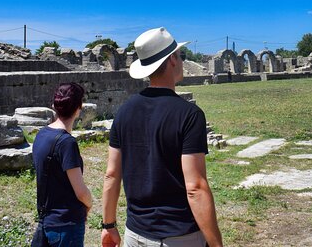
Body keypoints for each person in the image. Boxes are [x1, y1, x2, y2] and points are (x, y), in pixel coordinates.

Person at [101, 27, 223, 247]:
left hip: (135, 234)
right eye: (181, 55)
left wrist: (108, 226)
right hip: (179, 237)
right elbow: (195, 187)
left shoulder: (124, 111)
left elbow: (111, 175)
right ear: (173, 60)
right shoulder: (189, 115)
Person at [32, 82, 93, 247]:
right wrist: (89, 202)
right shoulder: (67, 143)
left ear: (54, 105)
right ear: (79, 108)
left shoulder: (41, 135)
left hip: (46, 220)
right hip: (66, 224)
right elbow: (80, 192)